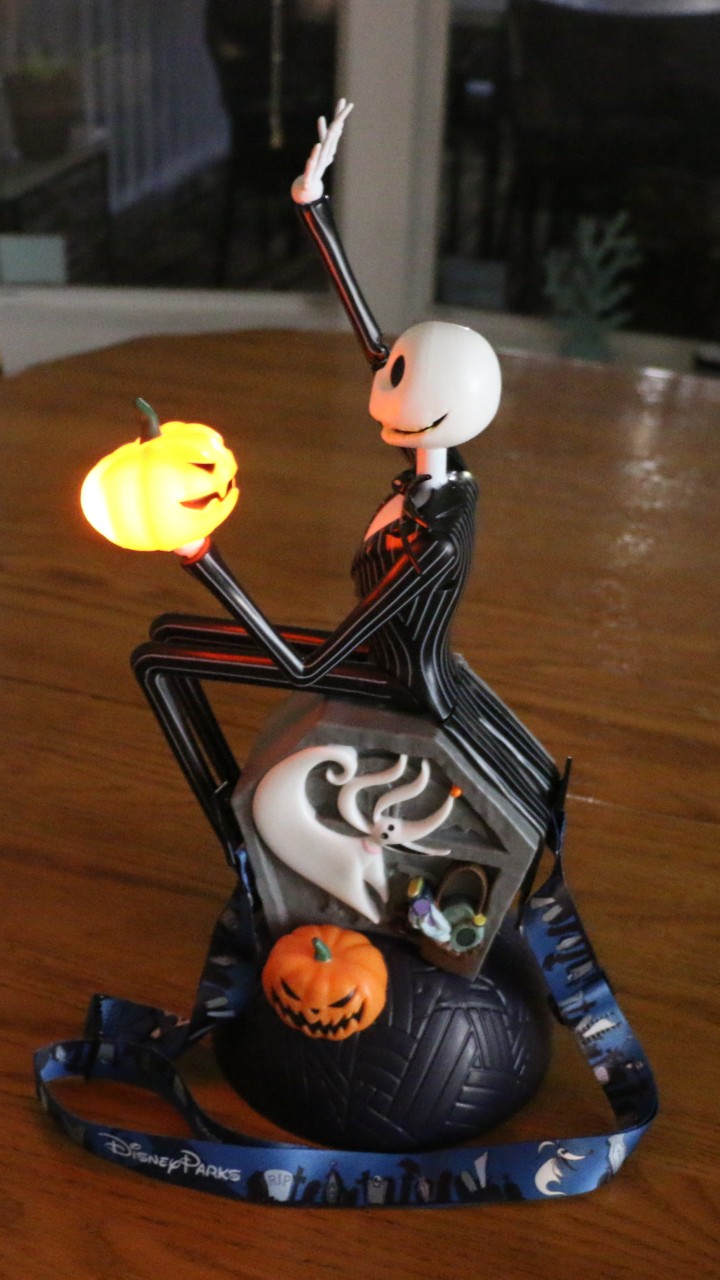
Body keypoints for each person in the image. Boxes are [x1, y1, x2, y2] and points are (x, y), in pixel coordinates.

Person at [132, 99, 562, 859]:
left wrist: (200, 553)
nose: (376, 382)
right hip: (389, 659)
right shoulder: (448, 471)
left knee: (158, 661)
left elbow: (309, 668)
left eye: (395, 378)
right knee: (167, 635)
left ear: (433, 413)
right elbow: (374, 342)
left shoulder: (432, 543)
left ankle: (239, 846)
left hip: (398, 681)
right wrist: (313, 208)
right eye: (389, 369)